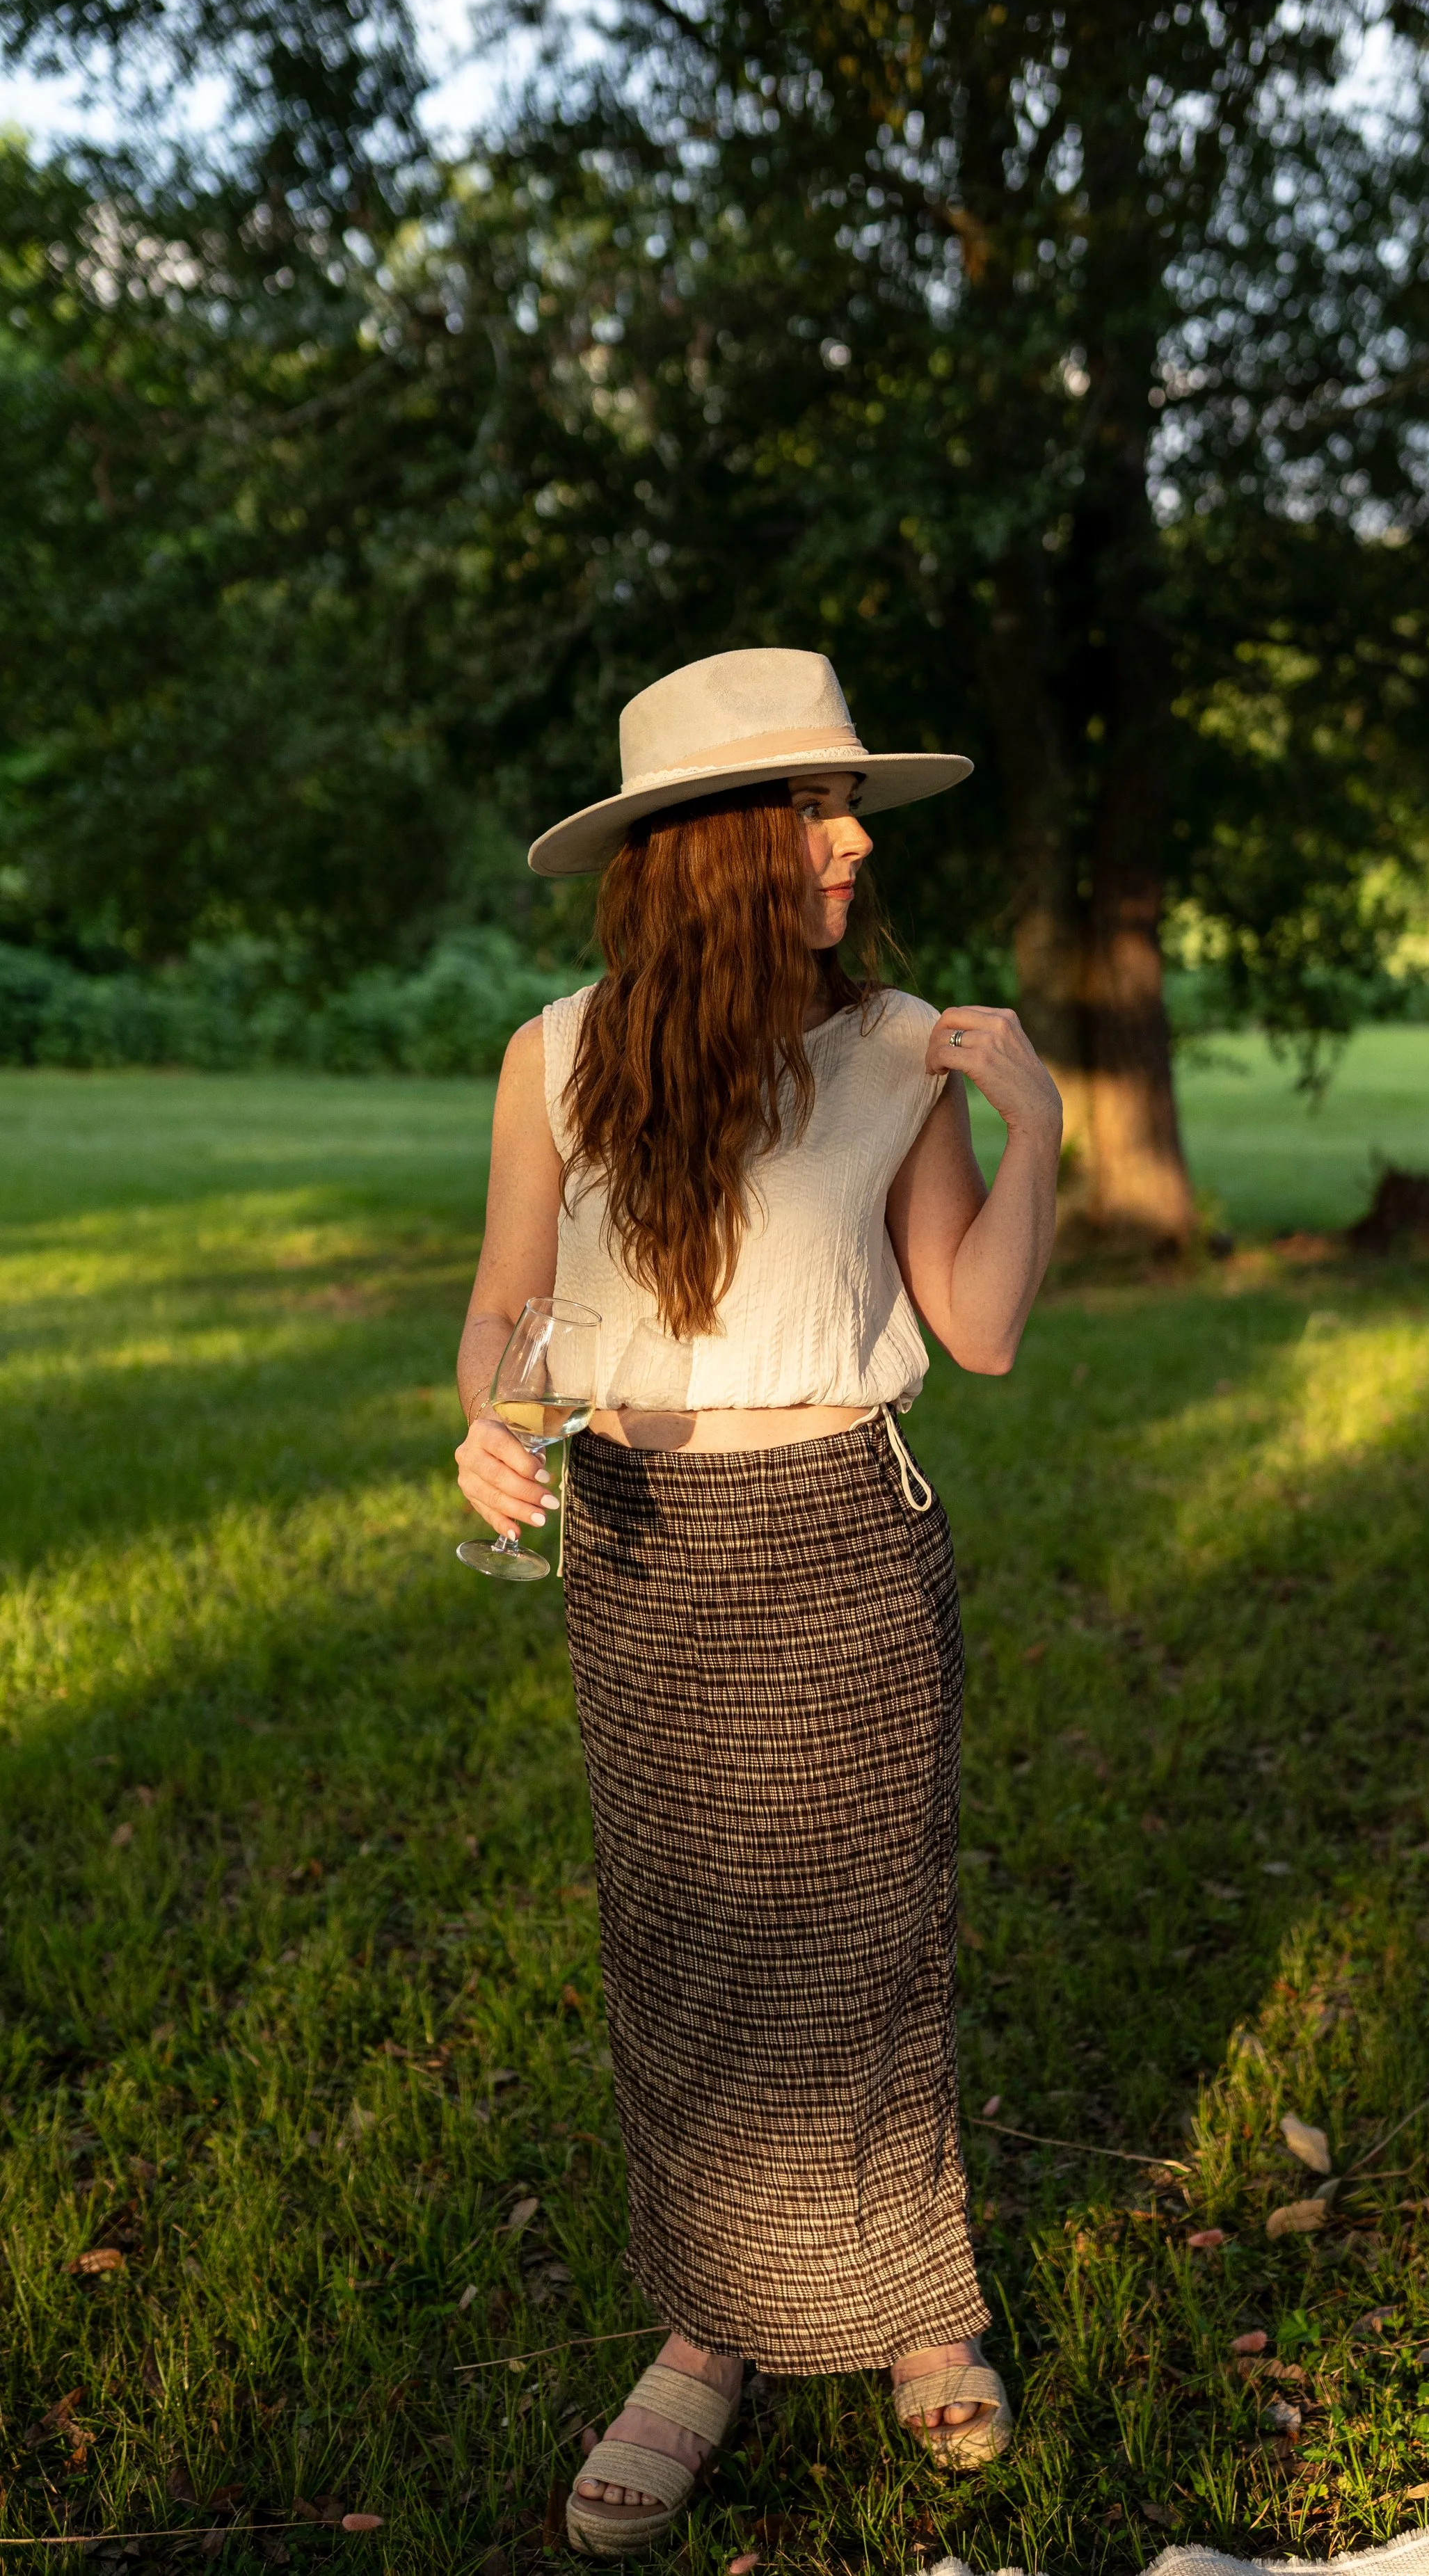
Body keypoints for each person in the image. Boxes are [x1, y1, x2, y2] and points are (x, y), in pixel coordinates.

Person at [454, 648, 1062, 2559]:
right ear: (708, 847)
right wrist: (483, 1421)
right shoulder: (555, 1056)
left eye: (849, 810)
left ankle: (919, 2308)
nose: (851, 844)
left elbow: (977, 1330)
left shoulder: (900, 1047)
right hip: (641, 1547)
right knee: (685, 1951)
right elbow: (506, 1307)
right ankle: (705, 2327)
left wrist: (1035, 1124)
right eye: (813, 811)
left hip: (841, 1534)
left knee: (871, 1945)